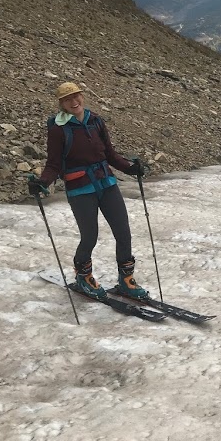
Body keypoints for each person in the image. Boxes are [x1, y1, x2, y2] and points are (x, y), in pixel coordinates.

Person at [28, 81, 149, 300]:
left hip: (106, 183)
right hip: (80, 188)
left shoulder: (96, 121)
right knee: (90, 235)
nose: (74, 102)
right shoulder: (58, 129)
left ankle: (127, 281)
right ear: (61, 104)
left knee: (123, 231)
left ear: (82, 96)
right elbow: (54, 165)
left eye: (76, 96)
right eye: (67, 99)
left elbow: (110, 155)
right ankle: (84, 277)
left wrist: (132, 169)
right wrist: (42, 182)